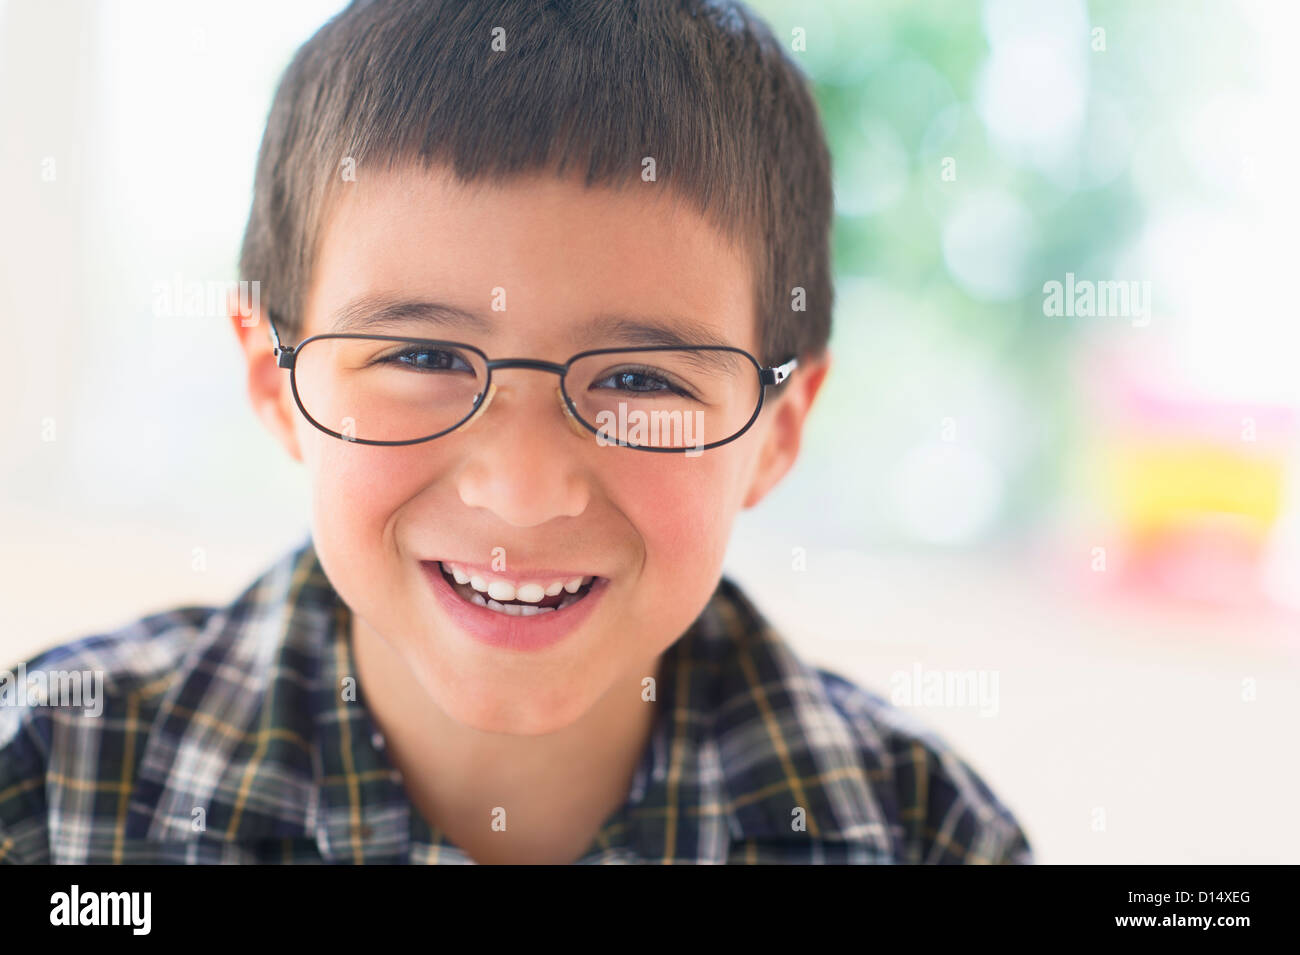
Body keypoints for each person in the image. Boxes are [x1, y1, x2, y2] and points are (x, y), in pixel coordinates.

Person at [0, 0, 1031, 864]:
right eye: (424, 358)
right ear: (276, 379)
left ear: (774, 431)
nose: (523, 488)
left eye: (638, 377)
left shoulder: (925, 836)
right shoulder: (48, 786)